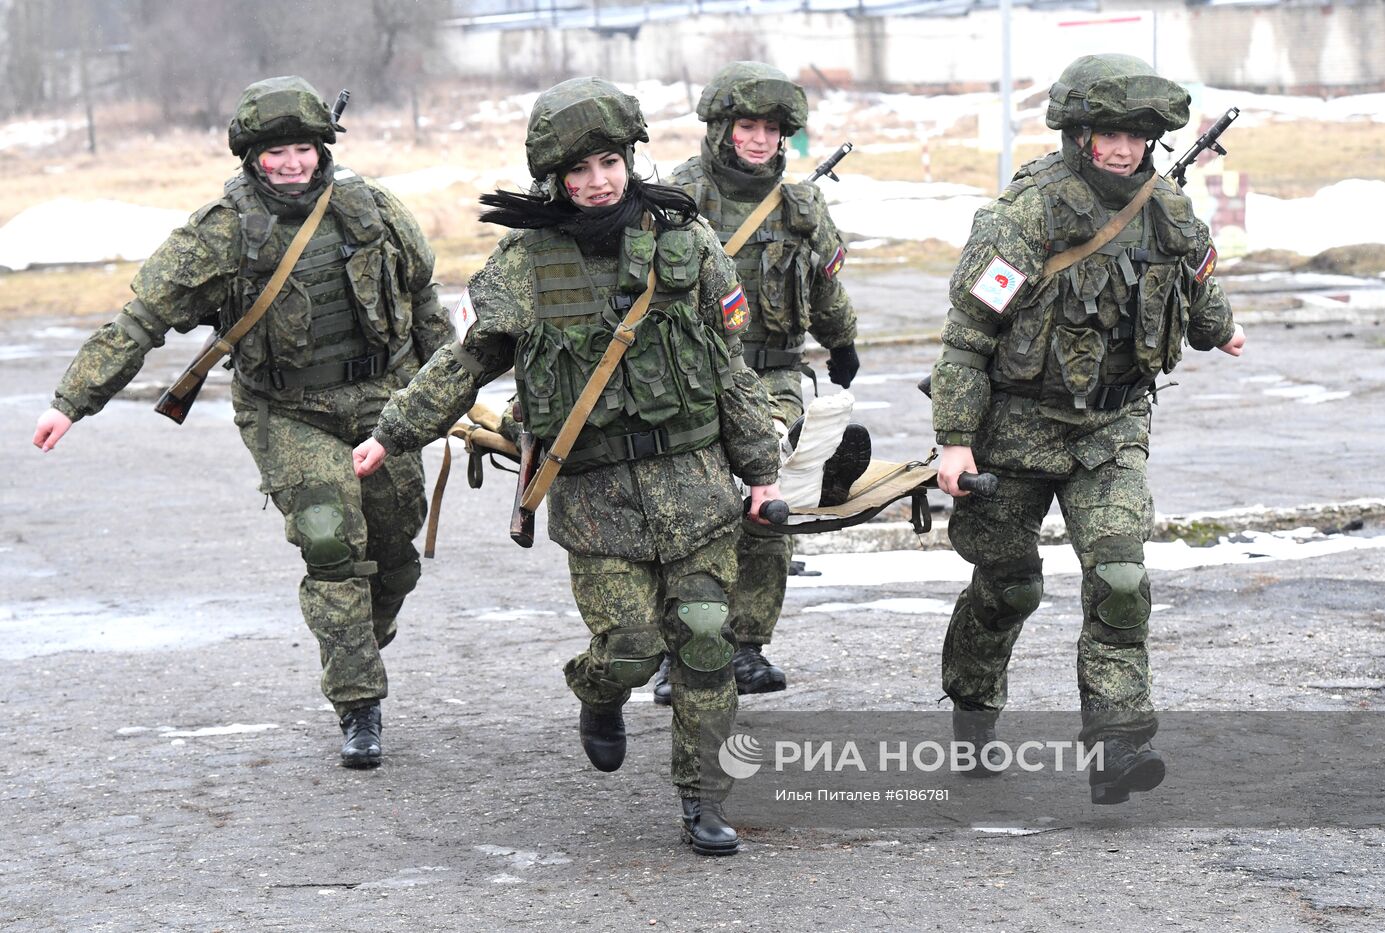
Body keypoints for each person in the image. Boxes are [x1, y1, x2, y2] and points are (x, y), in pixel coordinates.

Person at [351, 77, 781, 856]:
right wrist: (394, 432)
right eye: (578, 169)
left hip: (695, 485)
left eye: (609, 163)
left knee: (705, 636)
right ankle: (598, 692)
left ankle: (702, 797)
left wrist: (762, 471)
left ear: (629, 160)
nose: (597, 181)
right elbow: (467, 362)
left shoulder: (684, 241)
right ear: (555, 178)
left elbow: (731, 369)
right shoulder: (526, 263)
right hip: (595, 499)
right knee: (631, 645)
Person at [31, 76, 450, 770]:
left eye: (302, 149)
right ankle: (359, 704)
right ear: (252, 157)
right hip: (287, 410)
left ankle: (359, 636)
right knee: (330, 540)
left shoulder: (372, 209)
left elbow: (425, 301)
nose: (291, 164)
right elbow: (141, 321)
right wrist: (71, 400)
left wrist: (448, 394)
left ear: (323, 147)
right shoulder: (222, 231)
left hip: (383, 400)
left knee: (394, 555)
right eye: (275, 152)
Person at [929, 54, 1246, 803]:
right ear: (1078, 133)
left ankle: (1117, 746)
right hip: (1014, 432)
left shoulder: (1168, 209)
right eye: (1110, 135)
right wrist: (955, 441)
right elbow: (967, 338)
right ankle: (974, 711)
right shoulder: (1026, 216)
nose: (1124, 151)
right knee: (1008, 589)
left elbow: (1199, 290)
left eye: (1137, 136)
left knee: (1121, 577)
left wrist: (1224, 330)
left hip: (1110, 429)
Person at [654, 61, 860, 703]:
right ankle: (678, 651)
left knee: (769, 497)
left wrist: (842, 340)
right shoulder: (675, 199)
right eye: (748, 127)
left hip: (773, 375)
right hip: (689, 379)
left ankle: (744, 645)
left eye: (772, 130)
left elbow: (824, 285)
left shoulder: (802, 205)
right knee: (689, 509)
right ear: (722, 129)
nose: (760, 140)